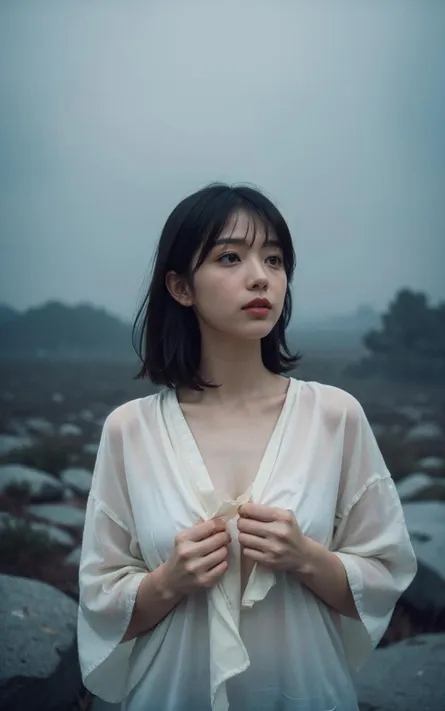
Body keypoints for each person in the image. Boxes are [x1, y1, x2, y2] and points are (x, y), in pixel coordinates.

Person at [77, 183, 417, 711]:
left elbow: (384, 576)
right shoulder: (130, 430)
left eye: (275, 259)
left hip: (307, 693)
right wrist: (169, 581)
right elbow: (101, 604)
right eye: (230, 257)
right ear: (180, 286)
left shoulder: (334, 416)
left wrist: (306, 558)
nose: (261, 275)